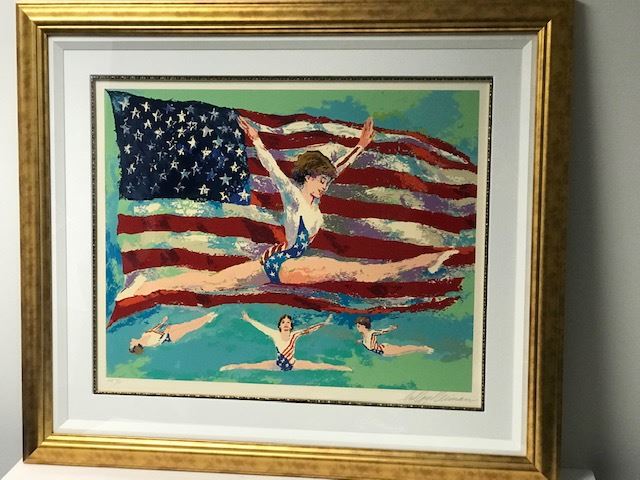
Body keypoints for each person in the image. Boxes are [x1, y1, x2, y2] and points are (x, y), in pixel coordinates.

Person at [116, 116, 458, 300]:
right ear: (308, 177)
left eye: (327, 181)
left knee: (214, 282)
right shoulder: (294, 196)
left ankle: (145, 285)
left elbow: (338, 169)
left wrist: (360, 146)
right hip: (290, 261)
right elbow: (273, 170)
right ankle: (425, 262)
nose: (326, 185)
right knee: (356, 271)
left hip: (275, 262)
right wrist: (256, 140)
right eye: (321, 180)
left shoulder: (315, 198)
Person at [219, 312, 350, 372]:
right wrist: (249, 320)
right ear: (279, 326)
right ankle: (232, 367)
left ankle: (341, 368)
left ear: (291, 326)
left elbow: (310, 329)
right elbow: (261, 327)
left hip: (294, 364)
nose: (286, 324)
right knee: (252, 366)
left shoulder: (294, 335)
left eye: (288, 322)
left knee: (318, 366)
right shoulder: (275, 334)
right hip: (277, 365)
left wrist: (324, 323)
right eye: (283, 322)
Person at [129, 311, 217, 354]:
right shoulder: (148, 343)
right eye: (131, 345)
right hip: (170, 336)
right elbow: (160, 341)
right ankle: (208, 319)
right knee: (190, 328)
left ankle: (206, 317)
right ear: (136, 346)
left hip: (169, 330)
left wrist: (162, 322)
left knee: (188, 324)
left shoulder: (143, 335)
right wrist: (166, 332)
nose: (130, 342)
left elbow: (154, 329)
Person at [355, 316, 434, 356]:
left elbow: (381, 331)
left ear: (364, 326)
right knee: (405, 350)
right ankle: (421, 349)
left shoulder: (371, 333)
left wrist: (391, 328)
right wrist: (361, 341)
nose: (357, 328)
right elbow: (369, 342)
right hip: (382, 351)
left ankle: (423, 348)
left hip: (385, 350)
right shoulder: (365, 335)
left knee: (405, 349)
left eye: (358, 326)